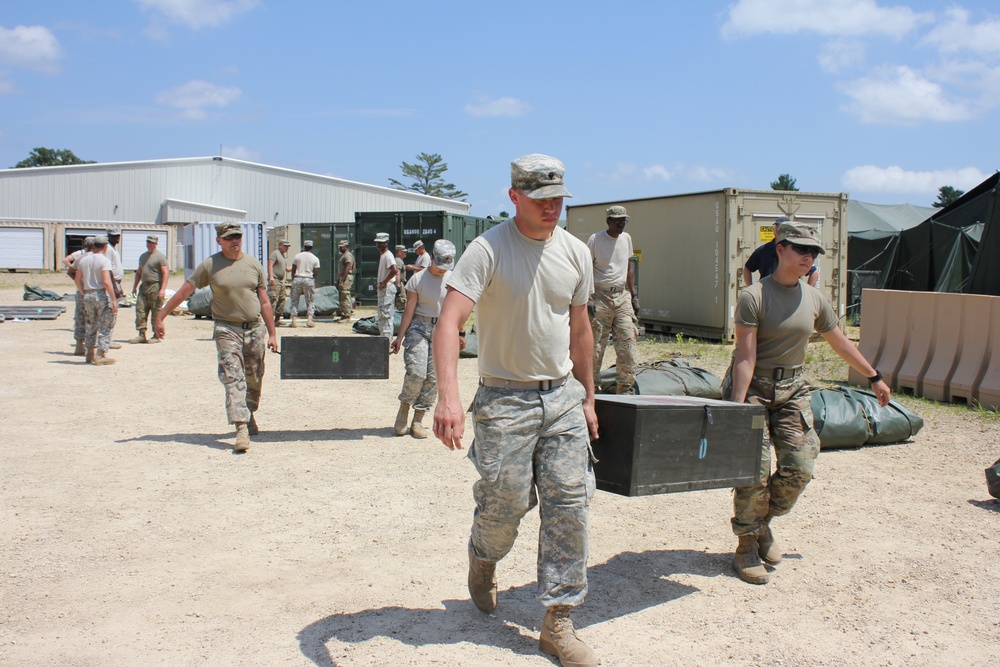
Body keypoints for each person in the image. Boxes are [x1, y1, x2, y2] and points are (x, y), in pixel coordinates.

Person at [432, 153, 600, 667]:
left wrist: (589, 399)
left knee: (570, 502)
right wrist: (449, 396)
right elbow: (448, 323)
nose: (553, 208)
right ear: (514, 197)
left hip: (562, 397)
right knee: (505, 506)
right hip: (504, 399)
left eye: (559, 200)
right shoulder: (487, 250)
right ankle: (484, 557)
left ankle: (559, 619)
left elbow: (580, 330)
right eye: (542, 199)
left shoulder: (575, 252)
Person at [725, 221, 891, 585]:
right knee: (752, 470)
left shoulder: (814, 298)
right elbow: (744, 357)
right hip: (753, 387)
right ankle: (746, 546)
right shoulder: (754, 296)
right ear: (779, 249)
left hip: (792, 390)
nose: (808, 257)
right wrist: (736, 411)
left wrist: (874, 376)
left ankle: (762, 523)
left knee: (800, 466)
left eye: (813, 252)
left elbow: (840, 342)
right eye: (801, 249)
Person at [154, 222, 279, 453]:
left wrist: (272, 333)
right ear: (219, 240)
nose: (235, 241)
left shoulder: (253, 265)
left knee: (254, 377)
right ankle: (240, 427)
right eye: (229, 237)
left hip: (254, 329)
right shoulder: (210, 265)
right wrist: (161, 316)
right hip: (226, 329)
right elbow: (184, 291)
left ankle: (248, 412)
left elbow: (264, 302)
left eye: (238, 237)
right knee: (233, 377)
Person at [390, 240, 462, 439]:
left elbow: (456, 309)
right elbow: (408, 311)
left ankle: (418, 419)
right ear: (431, 258)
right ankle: (404, 409)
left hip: (443, 330)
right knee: (416, 371)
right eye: (439, 264)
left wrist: (460, 332)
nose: (442, 270)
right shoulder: (417, 279)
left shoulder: (453, 279)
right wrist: (399, 337)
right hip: (419, 328)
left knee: (433, 377)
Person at [587, 204, 640, 394]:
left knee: (628, 342)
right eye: (617, 221)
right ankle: (592, 388)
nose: (621, 225)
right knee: (596, 347)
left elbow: (629, 267)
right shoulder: (595, 240)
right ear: (608, 221)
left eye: (624, 221)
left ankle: (624, 389)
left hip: (622, 296)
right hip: (600, 295)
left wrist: (634, 296)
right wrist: (589, 298)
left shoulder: (626, 239)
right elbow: (586, 269)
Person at [73, 235, 119, 366]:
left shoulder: (84, 260)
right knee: (106, 324)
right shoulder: (104, 261)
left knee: (91, 324)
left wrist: (83, 292)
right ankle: (100, 354)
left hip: (88, 294)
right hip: (101, 294)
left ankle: (90, 353)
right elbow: (106, 281)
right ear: (105, 246)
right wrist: (113, 300)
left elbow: (77, 279)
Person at [743, 217, 818, 286]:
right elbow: (747, 268)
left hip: (789, 293)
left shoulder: (795, 250)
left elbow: (814, 273)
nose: (778, 230)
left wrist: (808, 291)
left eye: (782, 228)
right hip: (767, 294)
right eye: (777, 227)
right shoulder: (763, 250)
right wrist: (750, 286)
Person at [130, 235, 169, 344]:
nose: (149, 244)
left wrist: (162, 289)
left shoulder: (160, 257)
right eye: (148, 242)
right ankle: (141, 334)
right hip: (144, 286)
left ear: (156, 244)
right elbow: (139, 272)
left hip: (155, 286)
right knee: (140, 310)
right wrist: (134, 287)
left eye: (151, 242)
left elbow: (165, 273)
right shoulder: (143, 256)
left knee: (156, 311)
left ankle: (156, 335)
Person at [66, 236, 95, 356]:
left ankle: (79, 344)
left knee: (79, 317)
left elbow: (70, 272)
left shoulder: (81, 258)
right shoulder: (97, 258)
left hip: (81, 290)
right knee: (92, 319)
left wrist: (79, 284)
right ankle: (90, 347)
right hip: (93, 290)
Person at [289, 239, 320, 328]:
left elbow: (293, 268)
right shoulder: (315, 258)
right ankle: (309, 319)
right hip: (308, 279)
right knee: (310, 301)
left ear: (304, 246)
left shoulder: (297, 256)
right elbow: (315, 272)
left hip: (297, 278)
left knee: (294, 300)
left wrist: (293, 279)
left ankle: (293, 320)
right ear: (311, 247)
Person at [374, 232, 398, 341]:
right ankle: (383, 341)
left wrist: (384, 282)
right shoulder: (383, 255)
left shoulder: (388, 255)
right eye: (377, 243)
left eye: (381, 243)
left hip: (387, 288)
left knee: (386, 315)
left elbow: (394, 270)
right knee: (382, 316)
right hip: (384, 288)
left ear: (386, 243)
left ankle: (386, 342)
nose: (378, 245)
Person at [105, 226, 124, 350]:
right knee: (111, 312)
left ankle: (107, 339)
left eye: (118, 236)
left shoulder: (113, 249)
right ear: (109, 236)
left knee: (113, 312)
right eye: (114, 236)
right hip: (112, 283)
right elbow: (108, 269)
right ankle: (106, 340)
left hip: (116, 282)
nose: (117, 238)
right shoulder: (108, 249)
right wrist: (115, 288)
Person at [268, 239, 291, 326]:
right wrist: (271, 277)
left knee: (282, 300)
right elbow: (270, 265)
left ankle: (277, 319)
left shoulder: (284, 256)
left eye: (288, 246)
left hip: (281, 281)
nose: (287, 248)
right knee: (273, 299)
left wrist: (296, 265)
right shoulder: (275, 253)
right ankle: (269, 320)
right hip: (275, 279)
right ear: (280, 245)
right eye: (285, 246)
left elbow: (287, 269)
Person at [336, 240, 355, 322]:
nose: (339, 248)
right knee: (342, 296)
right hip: (344, 276)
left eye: (341, 247)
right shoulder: (344, 255)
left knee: (345, 295)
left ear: (346, 247)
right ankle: (344, 314)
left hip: (346, 277)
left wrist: (343, 279)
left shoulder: (347, 255)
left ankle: (347, 316)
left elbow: (348, 266)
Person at [394, 244, 408, 311]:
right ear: (399, 252)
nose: (405, 253)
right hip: (400, 284)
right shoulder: (398, 261)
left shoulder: (398, 260)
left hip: (401, 283)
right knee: (402, 301)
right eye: (404, 252)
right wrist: (398, 286)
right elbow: (397, 273)